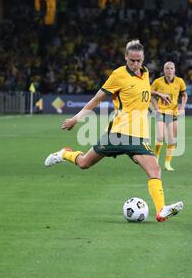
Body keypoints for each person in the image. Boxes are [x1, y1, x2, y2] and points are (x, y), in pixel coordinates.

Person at [44, 40, 184, 221]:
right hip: (117, 134)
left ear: (143, 59)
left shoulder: (146, 72)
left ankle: (161, 210)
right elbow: (95, 100)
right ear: (126, 57)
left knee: (155, 170)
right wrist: (76, 119)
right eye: (132, 60)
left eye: (138, 60)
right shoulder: (117, 75)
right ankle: (64, 154)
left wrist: (157, 94)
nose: (135, 64)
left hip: (138, 137)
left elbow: (143, 89)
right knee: (85, 163)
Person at [151, 62, 188, 172]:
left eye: (171, 68)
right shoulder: (158, 82)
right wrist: (156, 106)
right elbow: (149, 93)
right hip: (161, 112)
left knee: (172, 140)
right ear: (164, 70)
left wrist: (182, 107)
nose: (169, 70)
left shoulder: (179, 81)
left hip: (173, 113)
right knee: (160, 137)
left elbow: (185, 95)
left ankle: (167, 163)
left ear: (174, 70)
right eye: (167, 68)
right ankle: (156, 158)